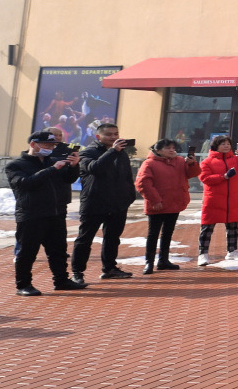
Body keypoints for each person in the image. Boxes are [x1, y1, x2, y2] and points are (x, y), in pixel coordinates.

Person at [6, 131, 86, 296]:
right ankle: (23, 285)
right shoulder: (16, 165)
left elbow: (68, 179)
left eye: (52, 145)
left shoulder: (54, 161)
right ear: (33, 144)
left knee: (58, 251)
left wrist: (74, 166)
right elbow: (25, 184)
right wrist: (51, 169)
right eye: (46, 145)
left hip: (56, 213)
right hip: (31, 215)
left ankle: (61, 280)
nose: (50, 148)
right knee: (27, 252)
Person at [73, 123, 137, 283]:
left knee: (112, 238)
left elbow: (127, 176)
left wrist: (130, 195)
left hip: (117, 204)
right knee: (85, 239)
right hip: (94, 203)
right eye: (109, 134)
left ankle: (109, 268)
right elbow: (94, 168)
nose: (114, 137)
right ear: (98, 136)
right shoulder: (88, 152)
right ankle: (77, 272)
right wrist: (112, 151)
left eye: (116, 134)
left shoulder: (121, 153)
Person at [135, 139, 200, 274]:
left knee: (168, 233)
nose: (171, 150)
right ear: (157, 150)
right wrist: (155, 200)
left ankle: (163, 260)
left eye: (173, 148)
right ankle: (149, 262)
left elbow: (192, 174)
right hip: (157, 205)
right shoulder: (149, 163)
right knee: (153, 234)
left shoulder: (180, 161)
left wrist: (192, 163)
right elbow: (143, 184)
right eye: (167, 148)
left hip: (175, 203)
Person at [197, 135, 238, 264]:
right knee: (207, 227)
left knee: (233, 226)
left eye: (228, 144)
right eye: (223, 144)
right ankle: (203, 254)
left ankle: (232, 251)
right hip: (214, 199)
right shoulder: (207, 162)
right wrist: (224, 176)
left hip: (233, 199)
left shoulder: (236, 159)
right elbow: (205, 178)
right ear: (216, 146)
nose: (226, 146)